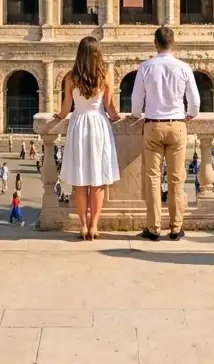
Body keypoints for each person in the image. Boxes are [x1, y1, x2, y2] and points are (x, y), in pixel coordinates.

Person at [130, 26, 199, 241]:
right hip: (177, 124)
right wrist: (188, 114)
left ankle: (153, 228)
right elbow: (195, 102)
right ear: (173, 43)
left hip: (153, 125)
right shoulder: (184, 67)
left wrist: (136, 114)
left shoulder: (146, 67)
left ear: (155, 43)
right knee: (177, 179)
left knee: (152, 178)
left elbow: (135, 101)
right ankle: (176, 228)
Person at [58, 36, 123, 240]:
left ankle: (83, 226)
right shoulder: (104, 74)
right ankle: (94, 226)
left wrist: (59, 116)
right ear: (98, 54)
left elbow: (67, 106)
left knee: (80, 181)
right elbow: (110, 106)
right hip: (98, 124)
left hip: (78, 124)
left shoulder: (71, 77)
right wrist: (117, 117)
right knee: (97, 180)